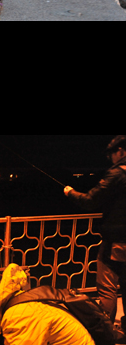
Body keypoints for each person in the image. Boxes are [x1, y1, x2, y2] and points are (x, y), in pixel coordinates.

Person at [64, 139, 126, 324]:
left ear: (120, 151)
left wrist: (70, 192)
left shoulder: (117, 174)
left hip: (116, 242)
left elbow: (91, 200)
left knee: (107, 288)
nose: (111, 158)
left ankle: (106, 331)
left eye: (112, 154)